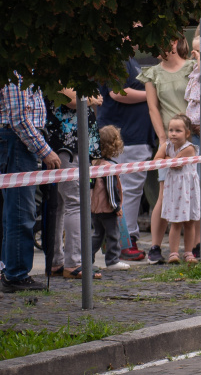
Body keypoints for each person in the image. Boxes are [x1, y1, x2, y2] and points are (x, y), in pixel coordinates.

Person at [0, 74, 59, 292]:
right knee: (20, 211)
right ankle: (16, 274)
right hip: (18, 142)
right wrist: (45, 151)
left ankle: (12, 270)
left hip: (18, 141)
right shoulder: (15, 72)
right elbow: (18, 119)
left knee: (15, 211)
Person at [138, 37, 195, 264]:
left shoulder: (192, 67)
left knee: (194, 192)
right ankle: (155, 247)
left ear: (175, 42)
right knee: (163, 195)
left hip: (193, 136)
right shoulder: (152, 73)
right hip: (169, 138)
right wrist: (163, 138)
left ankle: (193, 248)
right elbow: (153, 107)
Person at [98, 53, 154, 261]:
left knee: (122, 191)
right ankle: (125, 241)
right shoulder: (118, 57)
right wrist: (151, 94)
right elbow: (118, 93)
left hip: (129, 135)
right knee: (128, 191)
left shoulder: (128, 58)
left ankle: (115, 241)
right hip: (127, 137)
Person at [47, 88, 103, 280]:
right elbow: (71, 99)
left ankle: (57, 261)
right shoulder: (59, 69)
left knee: (61, 205)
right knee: (75, 203)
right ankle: (74, 263)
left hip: (67, 145)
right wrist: (91, 98)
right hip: (67, 145)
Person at [154, 114, 200, 264]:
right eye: (171, 130)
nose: (173, 133)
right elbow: (156, 160)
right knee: (175, 221)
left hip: (188, 188)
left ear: (187, 133)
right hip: (173, 188)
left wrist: (167, 159)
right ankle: (173, 253)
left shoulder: (190, 148)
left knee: (189, 222)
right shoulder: (166, 145)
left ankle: (188, 252)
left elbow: (178, 164)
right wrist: (169, 159)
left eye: (178, 130)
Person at [90, 125, 129, 271]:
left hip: (94, 207)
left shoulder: (93, 163)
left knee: (98, 234)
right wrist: (116, 207)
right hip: (107, 208)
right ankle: (112, 260)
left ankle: (87, 259)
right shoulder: (108, 166)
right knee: (113, 234)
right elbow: (111, 189)